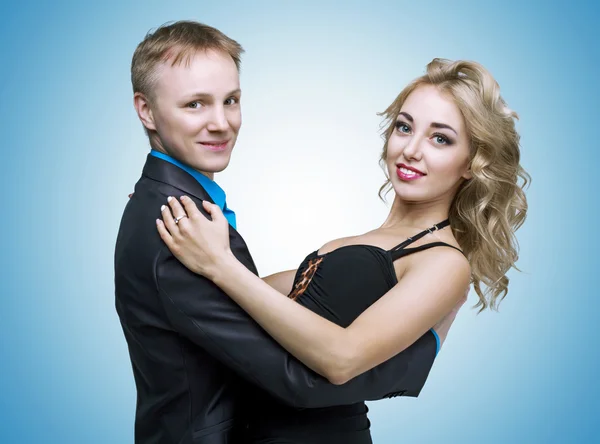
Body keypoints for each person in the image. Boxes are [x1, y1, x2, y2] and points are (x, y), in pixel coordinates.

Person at [115, 21, 456, 444]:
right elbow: (299, 380)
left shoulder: (179, 214)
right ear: (146, 110)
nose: (221, 123)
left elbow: (259, 307)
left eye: (231, 100)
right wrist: (423, 354)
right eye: (195, 105)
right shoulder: (175, 227)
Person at [155, 57, 530, 443]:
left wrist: (220, 266)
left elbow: (342, 358)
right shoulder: (368, 240)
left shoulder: (445, 261)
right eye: (405, 127)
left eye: (440, 138)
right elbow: (244, 304)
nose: (412, 150)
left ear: (471, 163)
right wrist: (172, 208)